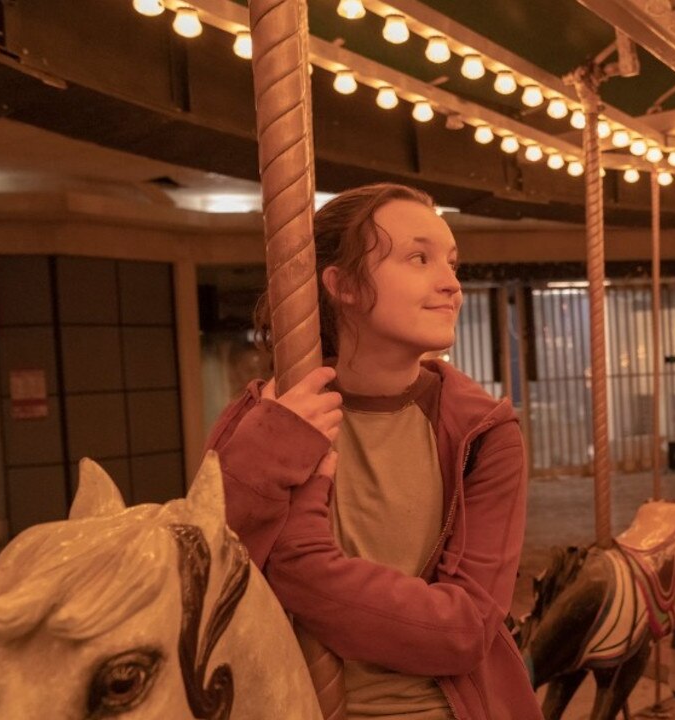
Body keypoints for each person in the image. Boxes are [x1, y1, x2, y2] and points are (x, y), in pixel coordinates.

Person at [206, 183, 541, 720]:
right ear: (344, 286)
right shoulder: (260, 420)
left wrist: (302, 563)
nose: (451, 284)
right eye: (418, 258)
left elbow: (464, 629)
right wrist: (265, 453)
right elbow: (212, 580)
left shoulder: (483, 433)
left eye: (452, 264)